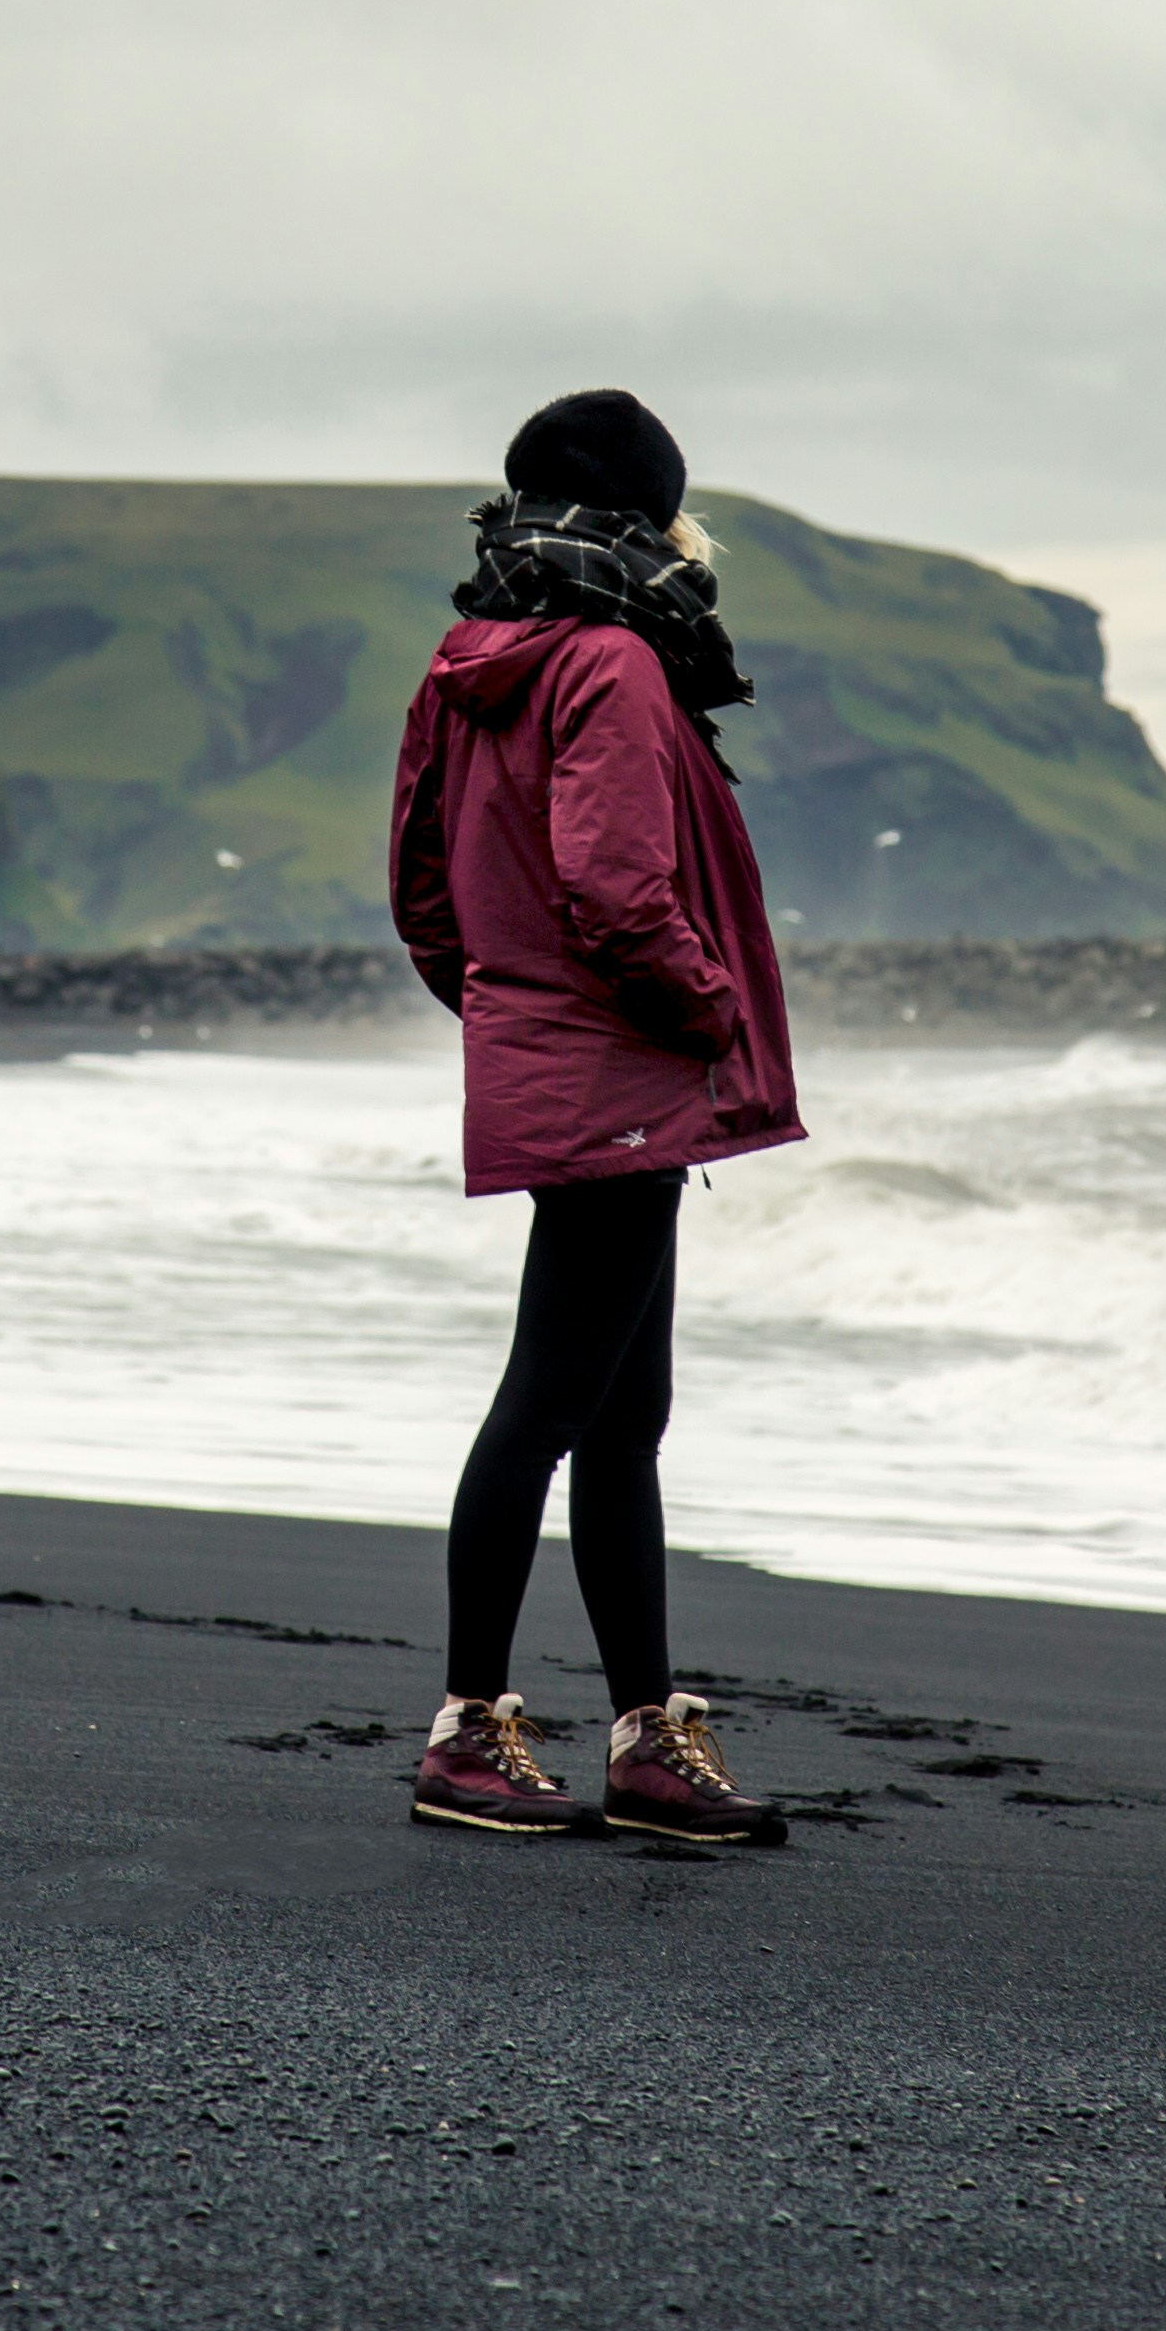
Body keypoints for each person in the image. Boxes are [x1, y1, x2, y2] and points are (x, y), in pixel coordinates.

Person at [385, 388, 804, 1845]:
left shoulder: (468, 660)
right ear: (648, 519)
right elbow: (621, 887)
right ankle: (466, 1733)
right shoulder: (617, 661)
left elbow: (426, 899)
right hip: (624, 1064)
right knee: (558, 1410)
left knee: (620, 1417)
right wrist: (702, 1014)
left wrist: (513, 1014)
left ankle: (643, 1736)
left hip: (566, 1055)